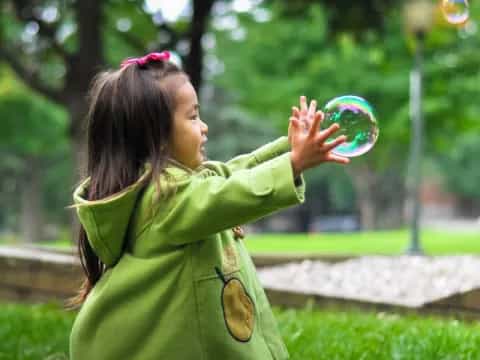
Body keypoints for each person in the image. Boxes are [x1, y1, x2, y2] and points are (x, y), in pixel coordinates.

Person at [67, 51, 349, 360]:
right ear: (157, 137)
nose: (204, 127)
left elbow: (230, 174)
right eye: (192, 117)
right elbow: (228, 193)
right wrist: (293, 163)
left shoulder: (176, 187)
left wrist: (289, 150)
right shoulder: (164, 198)